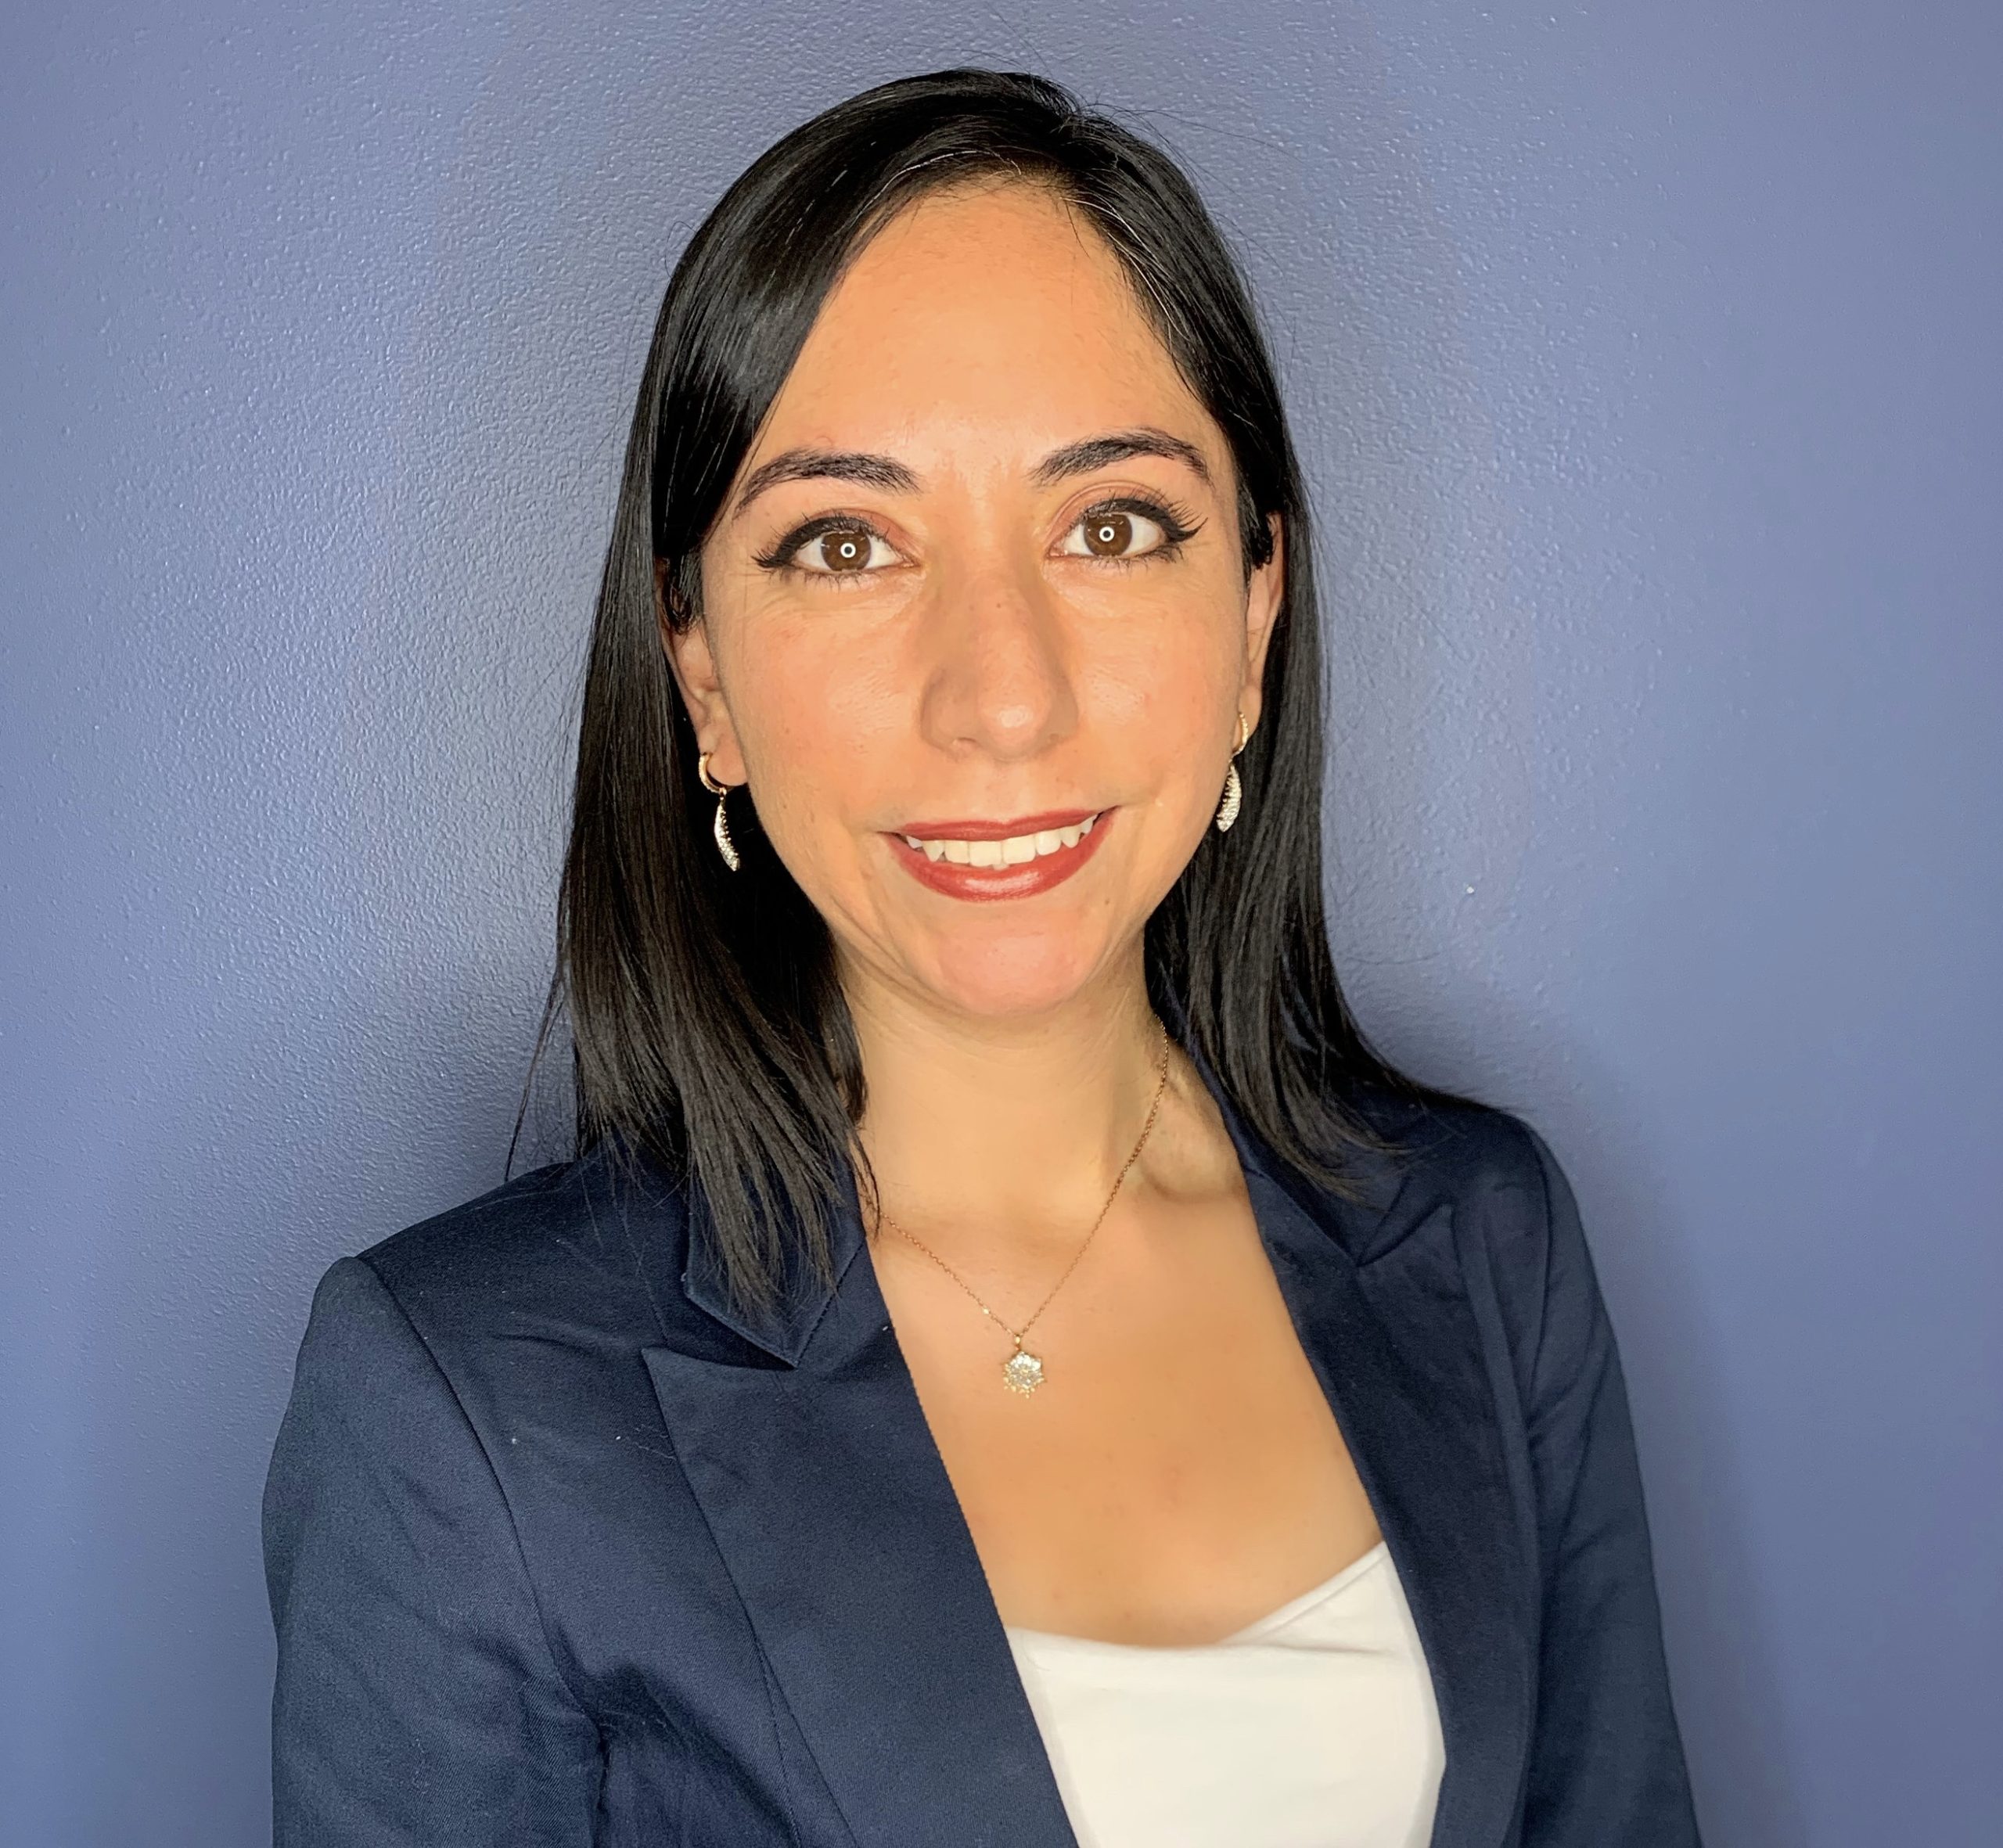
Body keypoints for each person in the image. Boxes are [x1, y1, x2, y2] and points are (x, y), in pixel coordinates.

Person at [263, 68, 1699, 1848]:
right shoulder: (459, 1399)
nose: (1001, 696)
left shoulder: (1486, 1241)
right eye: (846, 543)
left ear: (1253, 615)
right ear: (699, 670)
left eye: (1108, 525)